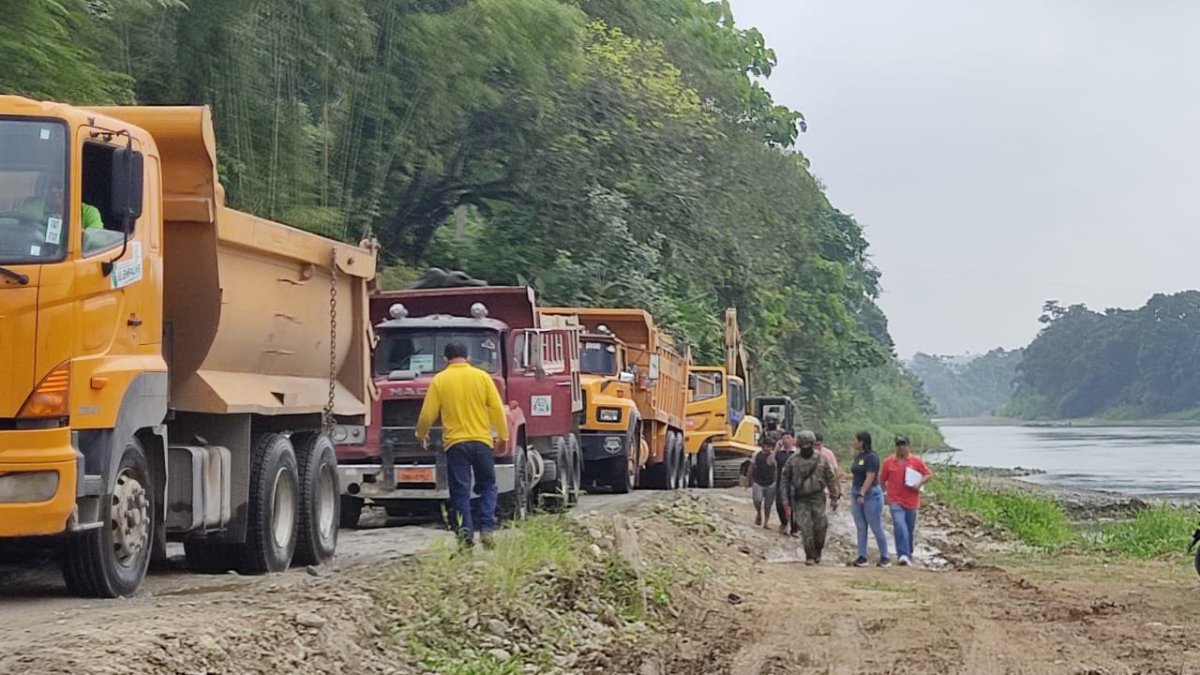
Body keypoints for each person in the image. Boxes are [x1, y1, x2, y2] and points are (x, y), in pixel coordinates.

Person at [415, 342, 509, 550]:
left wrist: (421, 434)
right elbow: (497, 408)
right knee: (488, 486)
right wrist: (503, 437)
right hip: (482, 442)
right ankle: (486, 528)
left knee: (460, 492)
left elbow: (427, 414)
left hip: (456, 445)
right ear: (468, 357)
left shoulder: (440, 380)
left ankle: (465, 538)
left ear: (445, 359)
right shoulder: (482, 377)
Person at [779, 430, 841, 565]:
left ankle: (818, 551)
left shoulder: (822, 459)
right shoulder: (793, 460)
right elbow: (784, 479)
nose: (806, 449)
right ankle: (810, 555)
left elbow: (830, 478)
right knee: (805, 527)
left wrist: (834, 497)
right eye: (803, 446)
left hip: (817, 497)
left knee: (820, 526)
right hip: (801, 498)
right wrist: (785, 500)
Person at [879, 435, 934, 566]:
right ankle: (902, 554)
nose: (901, 447)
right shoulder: (888, 462)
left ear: (908, 446)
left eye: (903, 445)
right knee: (900, 525)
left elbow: (928, 474)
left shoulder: (916, 461)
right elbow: (882, 479)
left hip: (912, 501)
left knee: (909, 528)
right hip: (895, 500)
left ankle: (908, 552)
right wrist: (884, 493)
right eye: (899, 445)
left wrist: (919, 483)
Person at [849, 431, 890, 568]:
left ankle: (885, 556)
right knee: (861, 526)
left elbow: (870, 477)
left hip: (870, 494)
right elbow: (857, 474)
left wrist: (862, 493)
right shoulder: (858, 456)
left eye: (856, 440)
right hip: (856, 491)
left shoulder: (871, 457)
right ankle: (862, 556)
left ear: (862, 442)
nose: (854, 443)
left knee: (875, 525)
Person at [20, 175, 104, 232]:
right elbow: (15, 224)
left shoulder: (89, 212)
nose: (53, 190)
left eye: (59, 186)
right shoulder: (33, 205)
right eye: (50, 186)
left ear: (72, 188)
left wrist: (66, 228)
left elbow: (96, 241)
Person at [748, 437, 777, 528]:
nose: (768, 448)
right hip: (758, 481)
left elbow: (777, 468)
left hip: (771, 482)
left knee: (768, 504)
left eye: (770, 446)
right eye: (767, 445)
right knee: (757, 500)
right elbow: (751, 467)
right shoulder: (756, 455)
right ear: (763, 445)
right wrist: (748, 479)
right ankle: (759, 513)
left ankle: (766, 522)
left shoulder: (773, 456)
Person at [769, 430, 794, 534]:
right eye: (783, 438)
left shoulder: (796, 453)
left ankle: (793, 526)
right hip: (781, 481)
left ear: (793, 440)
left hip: (793, 482)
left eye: (788, 438)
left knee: (792, 504)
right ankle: (783, 522)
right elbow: (770, 462)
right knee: (779, 503)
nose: (785, 440)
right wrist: (776, 448)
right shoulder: (779, 453)